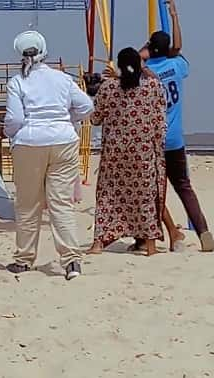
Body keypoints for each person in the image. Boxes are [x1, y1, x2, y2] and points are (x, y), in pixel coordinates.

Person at [3, 30, 94, 280]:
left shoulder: (17, 81)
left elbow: (15, 118)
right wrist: (67, 120)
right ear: (44, 50)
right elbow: (86, 106)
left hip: (29, 143)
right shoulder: (62, 79)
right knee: (61, 203)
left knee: (27, 204)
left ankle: (24, 260)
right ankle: (71, 261)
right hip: (64, 140)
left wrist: (12, 133)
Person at [137, 0, 212, 252]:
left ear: (149, 48)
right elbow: (178, 48)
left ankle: (161, 233)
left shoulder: (144, 72)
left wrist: (143, 52)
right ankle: (203, 231)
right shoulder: (177, 66)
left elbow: (133, 60)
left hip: (153, 140)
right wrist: (175, 15)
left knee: (151, 190)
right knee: (184, 186)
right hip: (175, 139)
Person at [87, 47, 168, 256]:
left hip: (114, 153)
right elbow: (160, 123)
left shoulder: (108, 87)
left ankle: (98, 243)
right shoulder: (153, 86)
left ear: (120, 66)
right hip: (143, 153)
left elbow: (95, 118)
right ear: (139, 65)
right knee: (146, 196)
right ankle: (150, 246)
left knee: (107, 196)